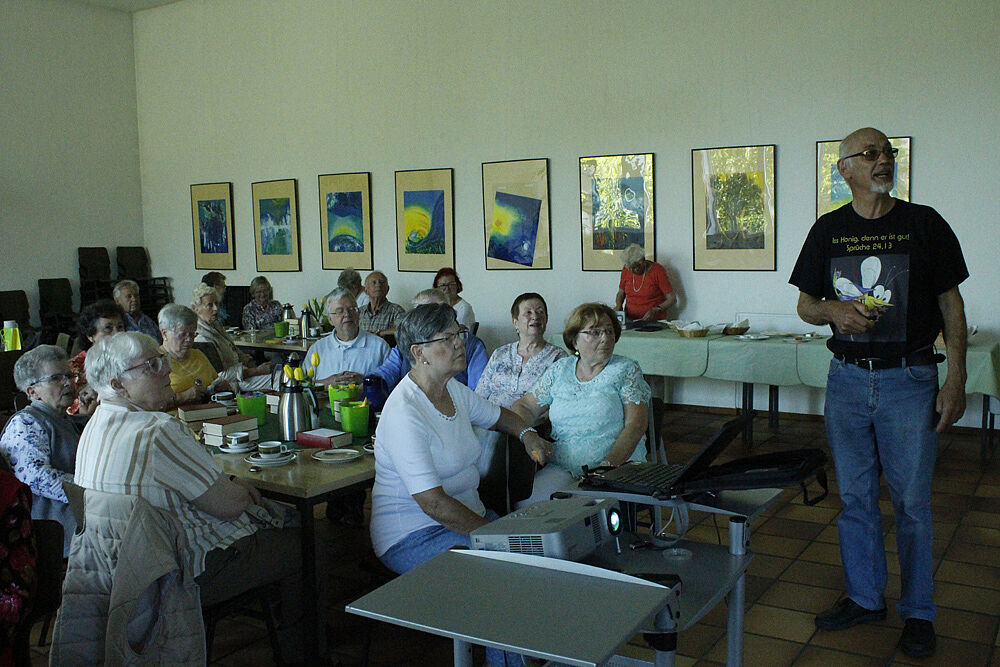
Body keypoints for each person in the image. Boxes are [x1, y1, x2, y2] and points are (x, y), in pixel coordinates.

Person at [789, 127, 968, 659]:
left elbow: (952, 307)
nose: (882, 160)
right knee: (856, 498)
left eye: (887, 152)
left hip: (910, 381)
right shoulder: (828, 230)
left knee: (912, 504)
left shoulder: (924, 224)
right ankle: (866, 597)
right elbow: (805, 305)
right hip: (846, 378)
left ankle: (919, 612)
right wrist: (833, 311)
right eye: (870, 154)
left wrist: (956, 378)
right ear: (844, 169)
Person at [73, 332, 323, 662]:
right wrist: (237, 489)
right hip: (177, 574)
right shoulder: (157, 430)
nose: (166, 370)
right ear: (118, 385)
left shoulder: (94, 425)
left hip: (119, 574)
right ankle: (305, 652)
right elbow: (229, 505)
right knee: (308, 541)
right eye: (152, 365)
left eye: (162, 360)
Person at [370, 303, 552, 575]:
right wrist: (494, 537)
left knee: (542, 553)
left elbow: (498, 416)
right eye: (447, 338)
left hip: (469, 517)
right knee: (515, 570)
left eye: (459, 334)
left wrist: (528, 435)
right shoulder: (405, 413)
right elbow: (433, 504)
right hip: (415, 535)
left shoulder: (453, 389)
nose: (459, 343)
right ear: (419, 353)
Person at [513, 302, 650, 507]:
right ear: (575, 340)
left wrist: (607, 466)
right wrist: (528, 435)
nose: (605, 338)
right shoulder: (560, 369)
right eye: (594, 332)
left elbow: (636, 425)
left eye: (609, 331)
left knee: (582, 514)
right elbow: (525, 406)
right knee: (528, 505)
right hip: (563, 466)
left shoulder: (626, 370)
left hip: (616, 467)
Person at [0, 345, 83, 555]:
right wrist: (92, 492)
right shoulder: (26, 423)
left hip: (76, 523)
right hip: (54, 533)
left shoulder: (64, 419)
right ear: (32, 391)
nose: (67, 383)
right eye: (56, 378)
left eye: (68, 375)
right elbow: (35, 477)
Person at [371, 288, 488, 393]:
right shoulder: (407, 344)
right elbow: (386, 373)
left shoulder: (472, 345)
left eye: (438, 312)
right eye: (425, 313)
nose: (431, 319)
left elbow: (479, 391)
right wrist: (367, 384)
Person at [191, 283, 274, 390]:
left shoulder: (216, 326)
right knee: (279, 379)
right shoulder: (201, 338)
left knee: (280, 372)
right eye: (209, 305)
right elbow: (219, 374)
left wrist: (252, 364)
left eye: (216, 303)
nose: (216, 308)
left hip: (243, 373)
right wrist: (256, 371)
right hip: (232, 382)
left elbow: (235, 351)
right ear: (196, 309)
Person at [303, 288, 389, 386]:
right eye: (340, 311)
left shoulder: (379, 346)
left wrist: (365, 381)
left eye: (352, 309)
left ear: (358, 313)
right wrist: (326, 383)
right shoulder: (318, 348)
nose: (347, 315)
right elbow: (303, 385)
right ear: (330, 319)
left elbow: (393, 385)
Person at [159, 304, 231, 406]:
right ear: (164, 334)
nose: (189, 340)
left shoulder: (198, 355)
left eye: (192, 334)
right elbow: (149, 407)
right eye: (182, 334)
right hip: (175, 418)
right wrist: (182, 397)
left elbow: (215, 382)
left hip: (207, 414)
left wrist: (221, 387)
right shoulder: (156, 362)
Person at [69, 299, 126, 416]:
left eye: (120, 327)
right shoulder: (76, 368)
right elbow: (76, 412)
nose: (117, 334)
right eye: (108, 328)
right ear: (91, 336)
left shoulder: (131, 360)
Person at [614, 244, 676, 321]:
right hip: (630, 319)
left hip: (654, 321)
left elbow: (672, 299)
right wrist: (618, 306)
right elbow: (621, 292)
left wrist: (656, 309)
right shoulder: (626, 270)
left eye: (636, 267)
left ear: (643, 260)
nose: (633, 271)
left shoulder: (658, 271)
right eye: (630, 268)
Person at [359, 271, 405, 338]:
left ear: (388, 289)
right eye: (374, 282)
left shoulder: (396, 311)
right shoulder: (359, 312)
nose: (378, 285)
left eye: (382, 282)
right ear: (366, 291)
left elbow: (404, 329)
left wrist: (380, 333)